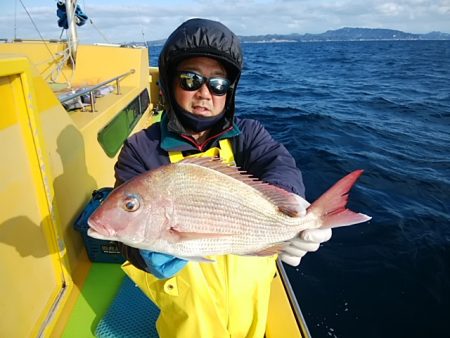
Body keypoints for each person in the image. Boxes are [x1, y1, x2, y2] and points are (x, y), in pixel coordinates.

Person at [114, 18, 332, 338]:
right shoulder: (141, 149)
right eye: (191, 79)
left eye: (218, 84)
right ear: (168, 84)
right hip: (188, 321)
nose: (205, 93)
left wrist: (291, 207)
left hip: (251, 313)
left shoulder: (249, 136)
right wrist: (143, 255)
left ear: (229, 92)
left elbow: (279, 164)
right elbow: (126, 229)